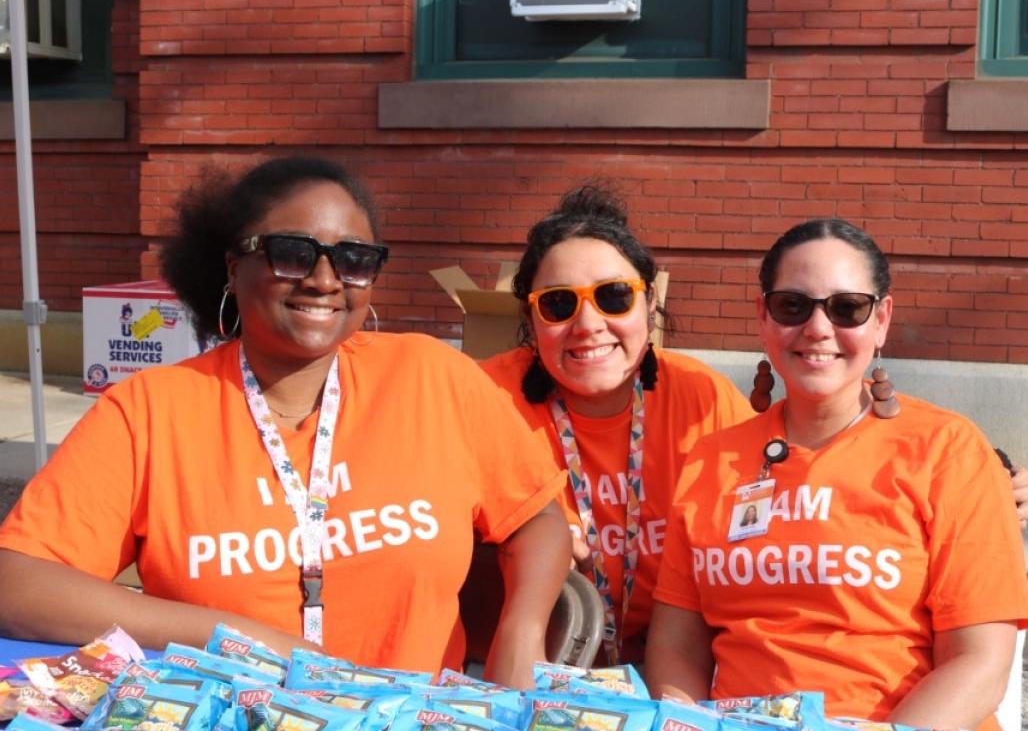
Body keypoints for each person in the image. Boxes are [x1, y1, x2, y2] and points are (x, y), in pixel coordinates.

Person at [0, 155, 571, 689]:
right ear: (234, 266)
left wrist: (520, 634)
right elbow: (17, 583)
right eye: (293, 253)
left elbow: (536, 515)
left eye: (353, 260)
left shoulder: (432, 376)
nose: (324, 280)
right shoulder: (151, 411)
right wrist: (234, 638)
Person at [646, 218, 1028, 730]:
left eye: (847, 307)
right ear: (764, 316)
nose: (818, 328)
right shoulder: (712, 460)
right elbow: (677, 650)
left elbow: (980, 663)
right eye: (792, 306)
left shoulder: (948, 451)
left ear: (881, 320)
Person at [478, 185, 753, 666]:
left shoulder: (704, 399)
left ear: (650, 304)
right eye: (559, 304)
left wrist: (853, 419)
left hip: (675, 665)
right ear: (530, 318)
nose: (588, 324)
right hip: (527, 664)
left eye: (614, 297)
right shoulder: (481, 398)